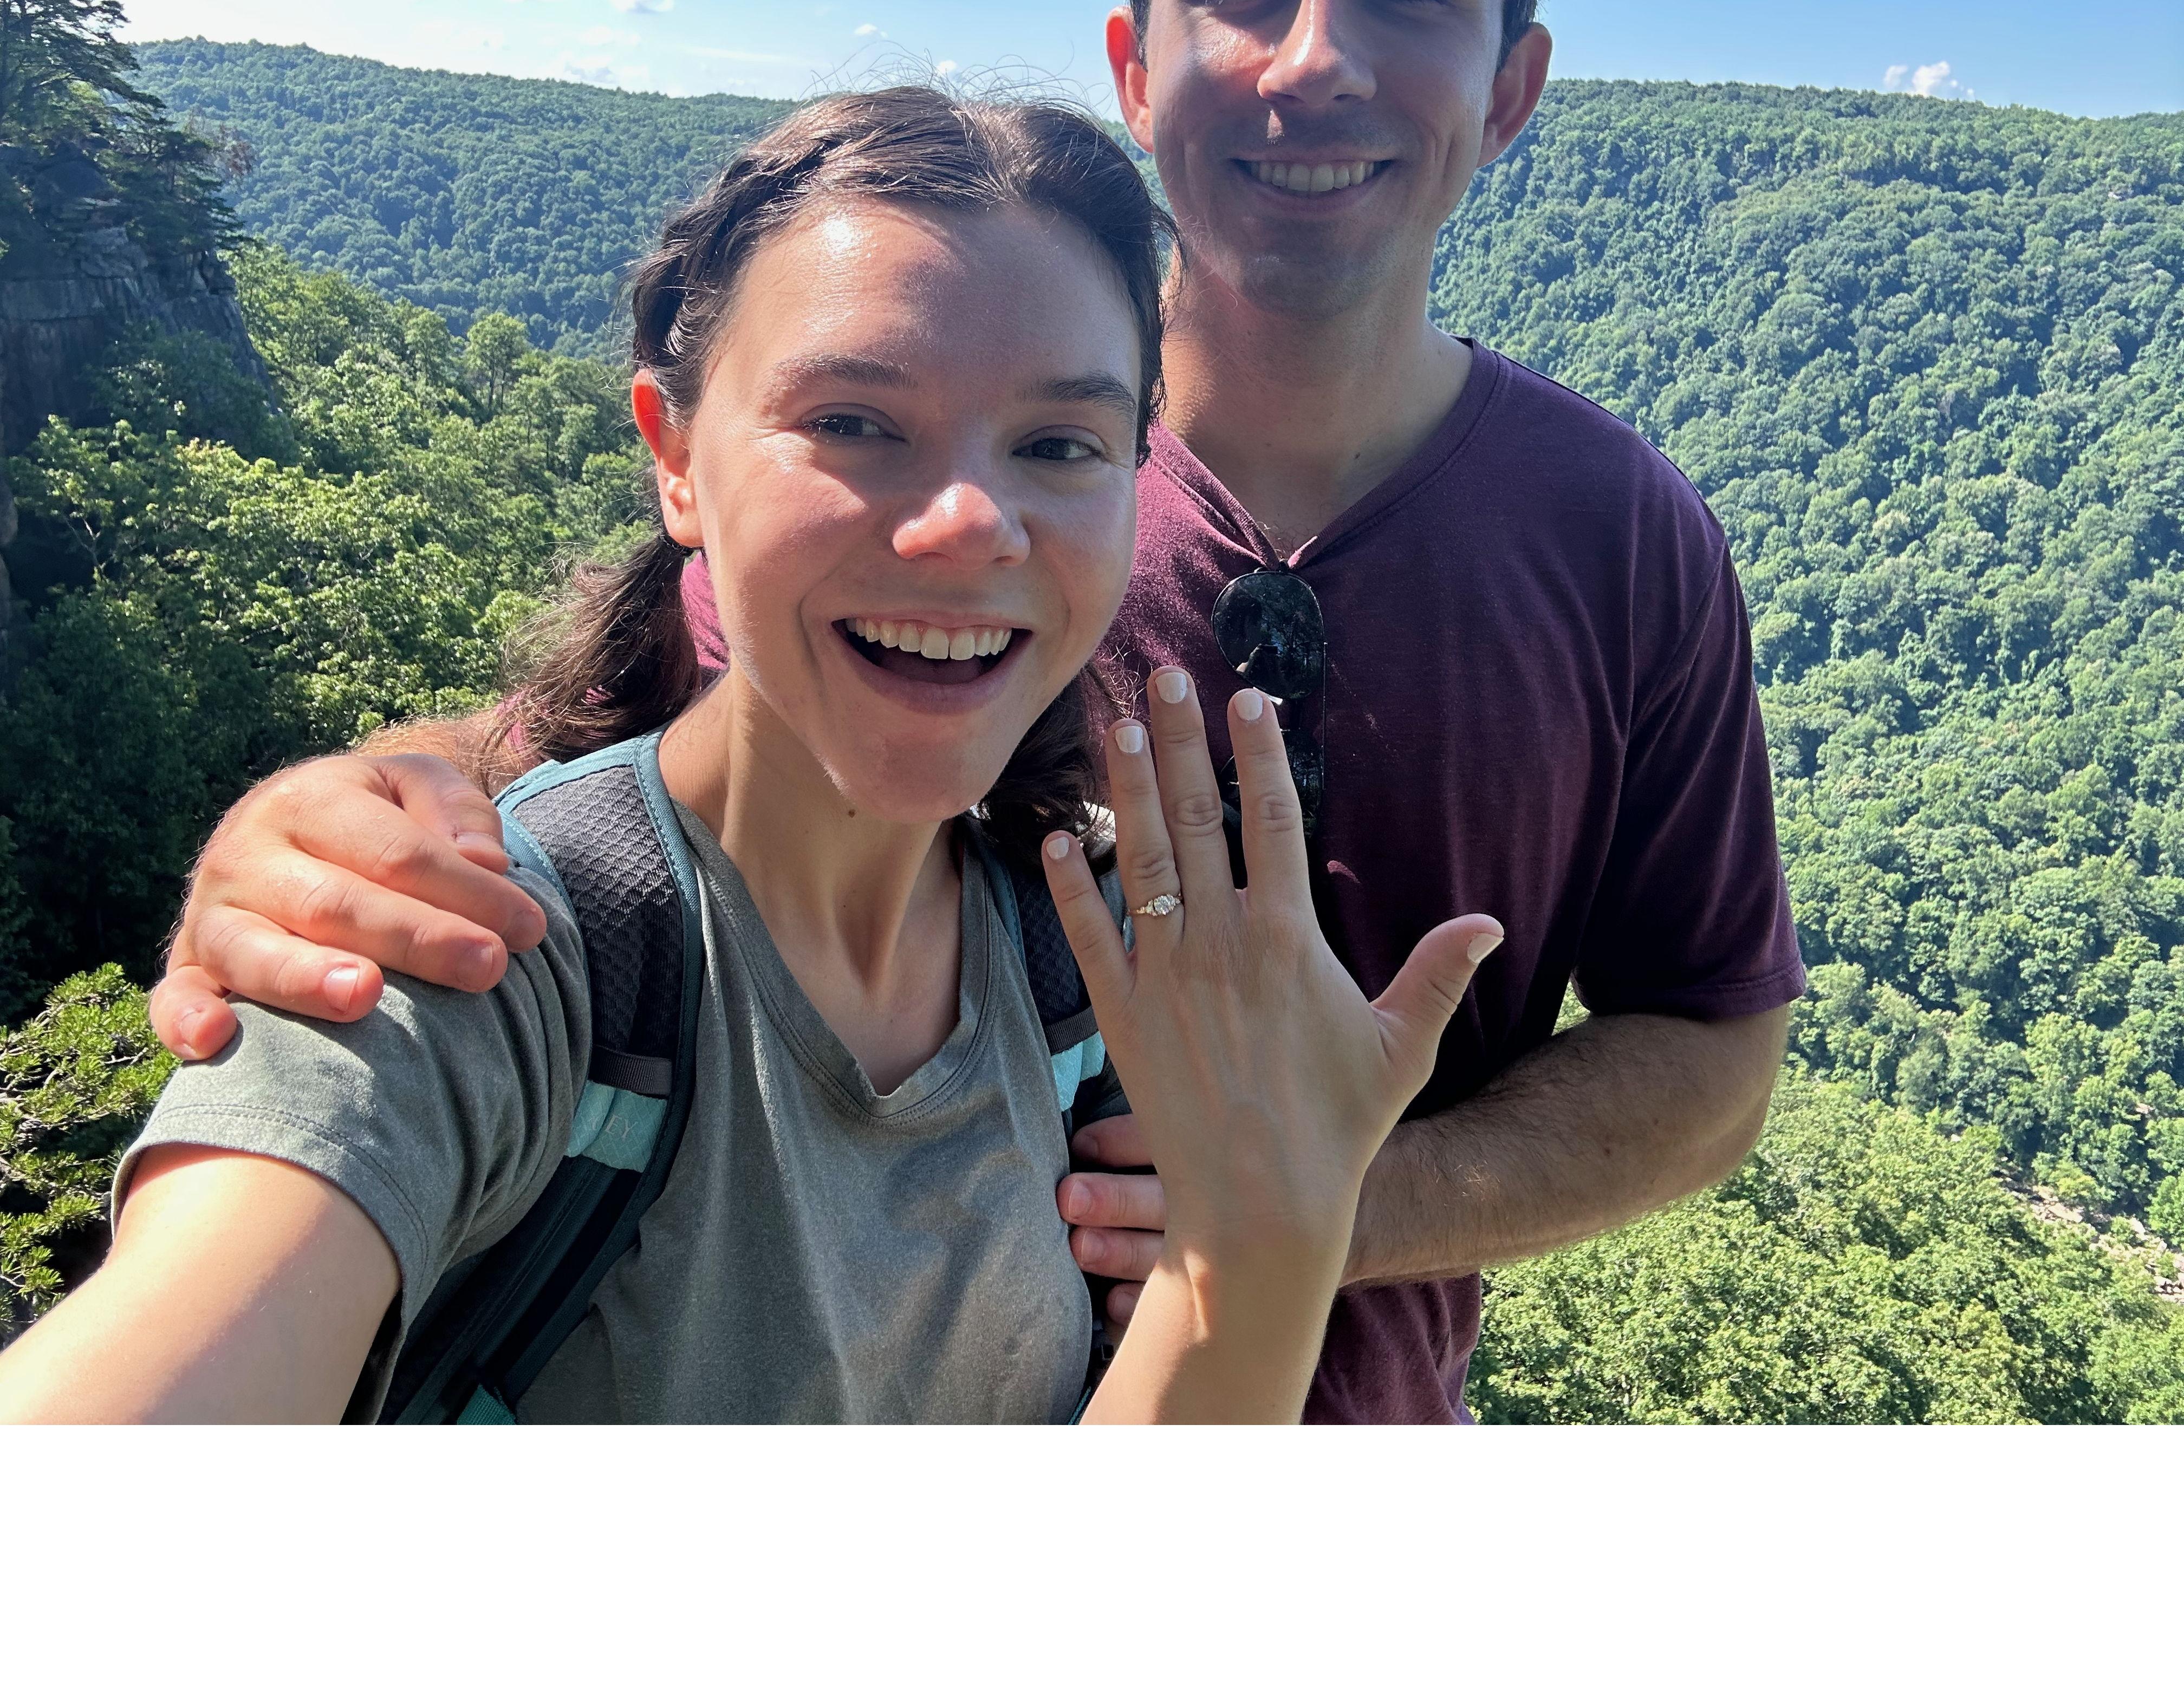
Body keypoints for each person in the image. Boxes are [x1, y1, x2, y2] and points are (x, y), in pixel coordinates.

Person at [145, 0, 1806, 1424]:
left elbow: (1712, 1040)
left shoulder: (1623, 538)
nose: (1314, 59)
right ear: (1137, 65)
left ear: (1511, 85)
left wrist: (1323, 1211)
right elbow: (625, 750)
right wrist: (338, 825)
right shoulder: (945, 493)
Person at [0, 89, 1503, 1424]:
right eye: (854, 421)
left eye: (1060, 444)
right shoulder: (473, 962)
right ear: (674, 456)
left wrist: (1270, 1235)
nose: (972, 522)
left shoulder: (1083, 976)